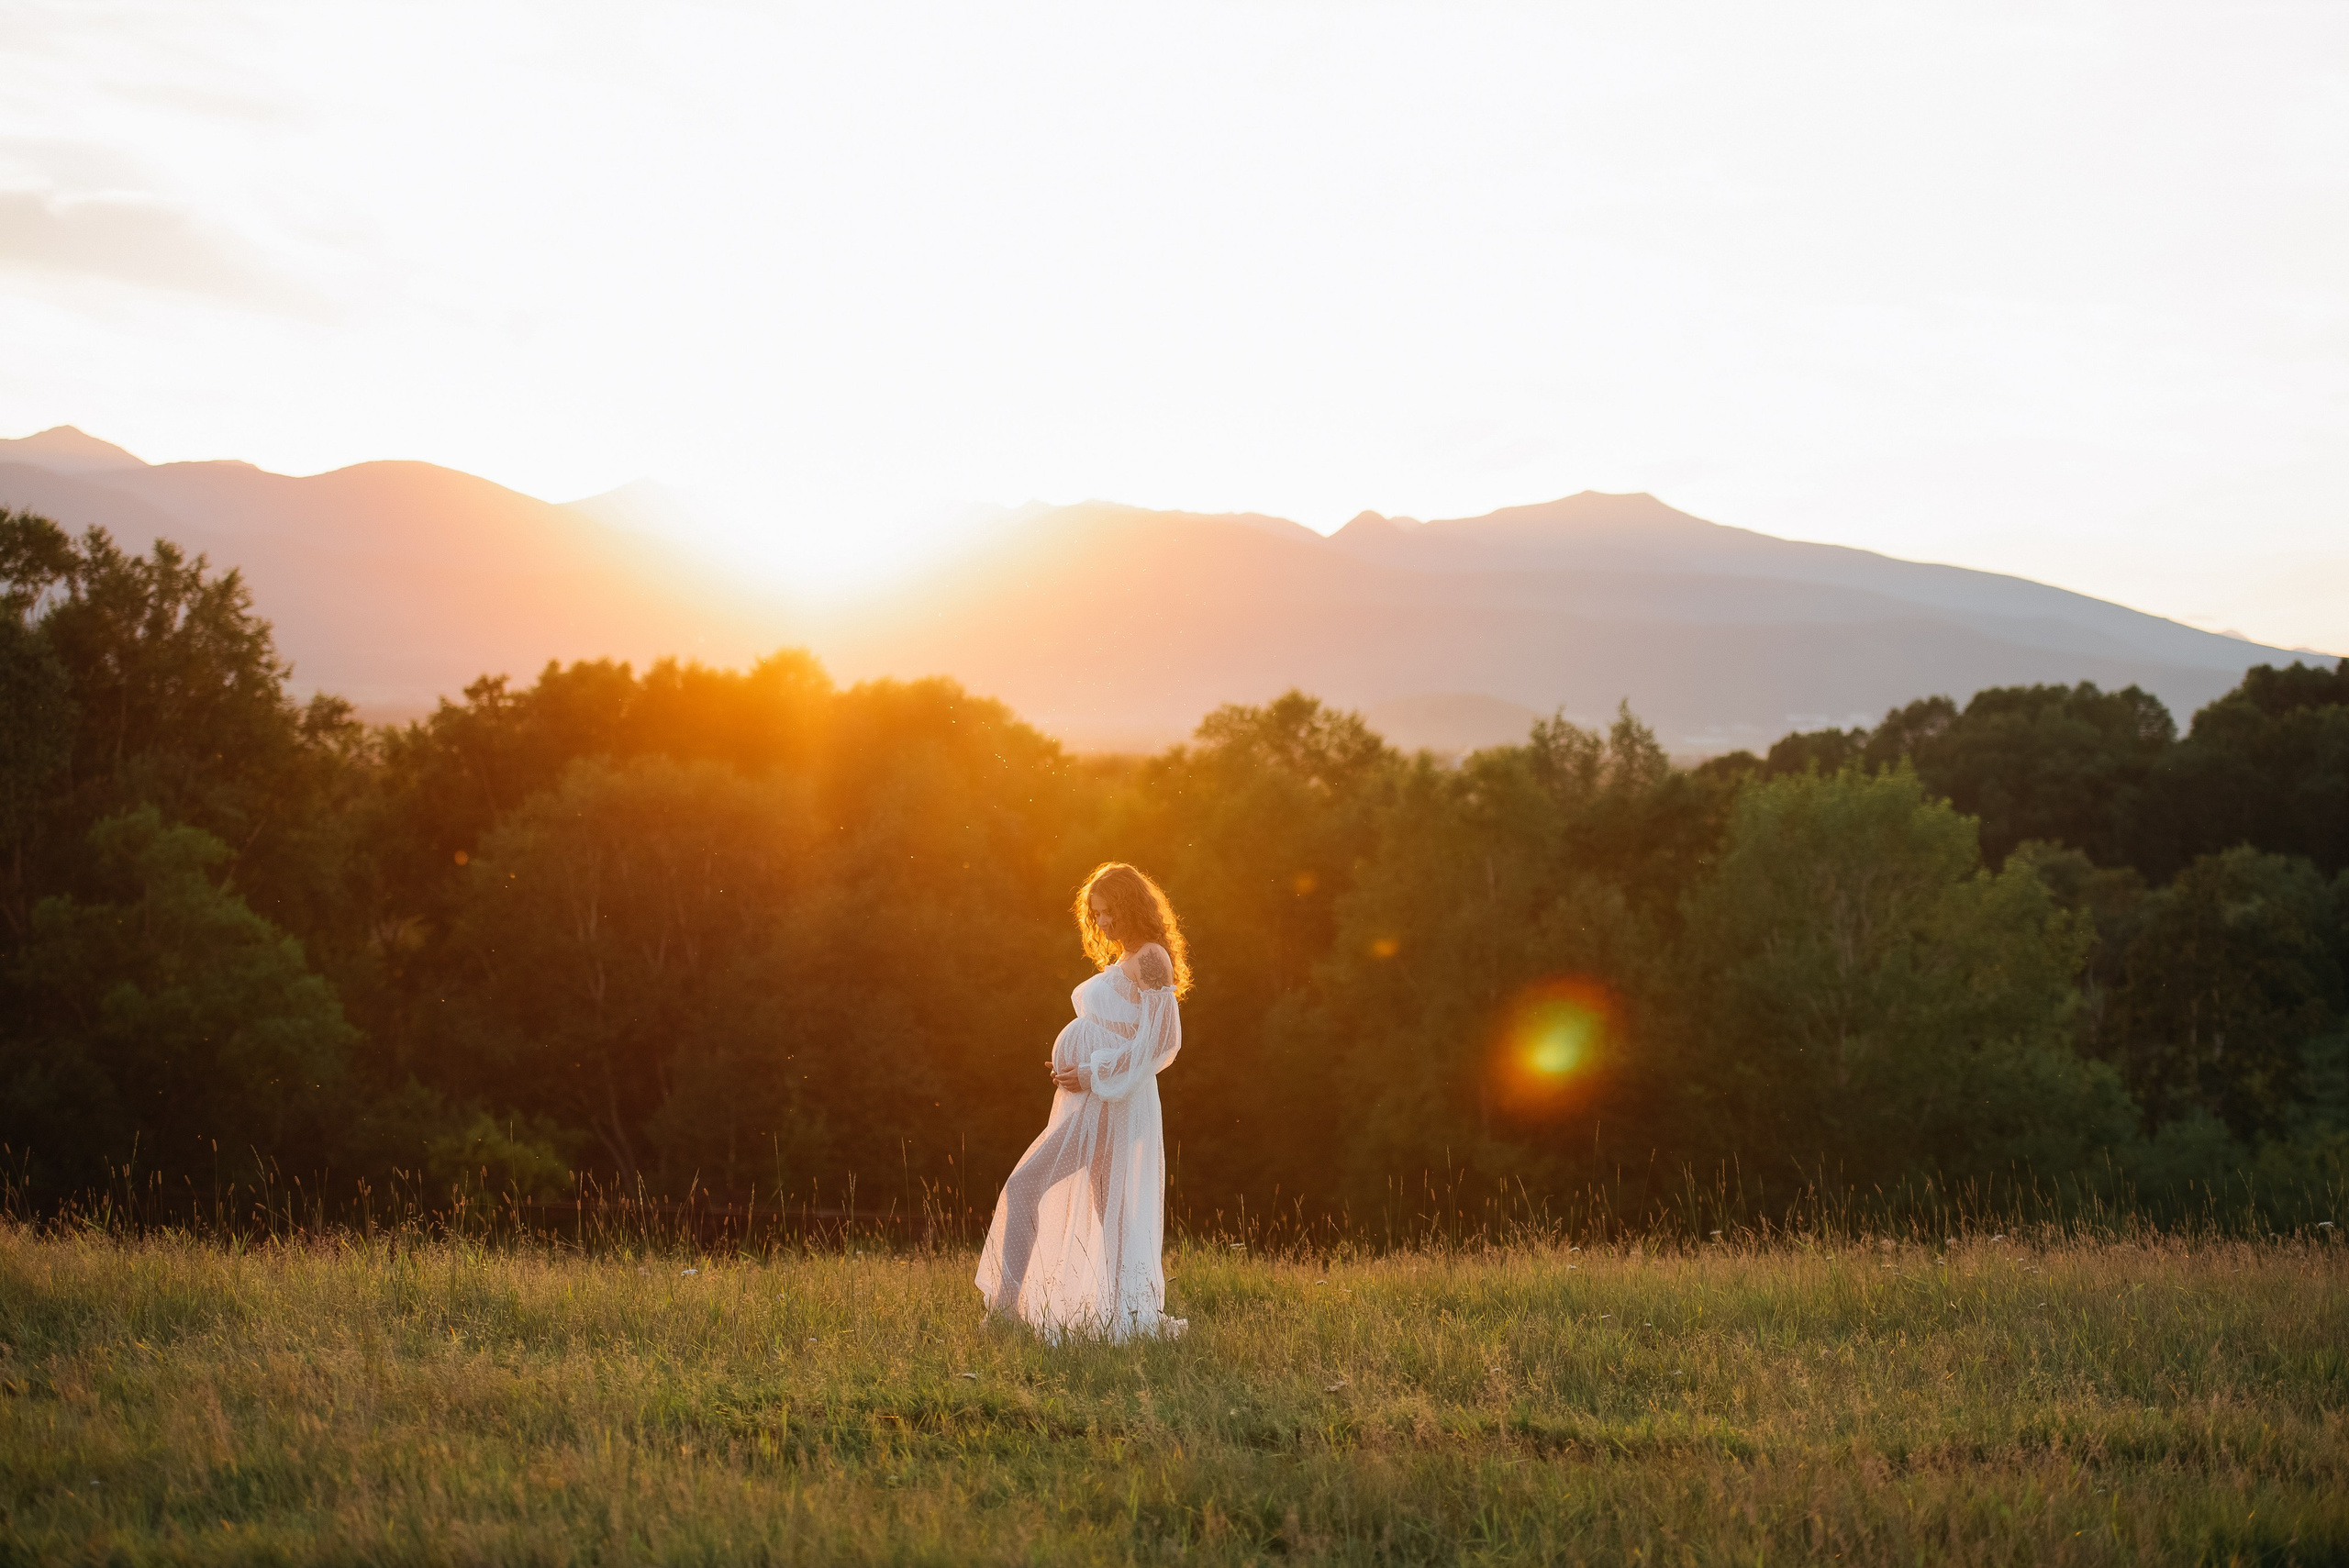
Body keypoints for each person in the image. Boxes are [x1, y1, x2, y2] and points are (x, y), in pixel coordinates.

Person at [974, 862, 1191, 1340]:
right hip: (1094, 1100)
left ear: (1133, 905)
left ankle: (1006, 1316)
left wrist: (1091, 1071)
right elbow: (1121, 1032)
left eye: (1110, 911)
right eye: (1096, 915)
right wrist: (1076, 1069)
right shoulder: (1129, 959)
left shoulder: (1152, 958)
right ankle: (1127, 1319)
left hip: (1112, 1103)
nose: (1104, 923)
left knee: (1024, 1187)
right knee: (1108, 1210)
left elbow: (1163, 1042)